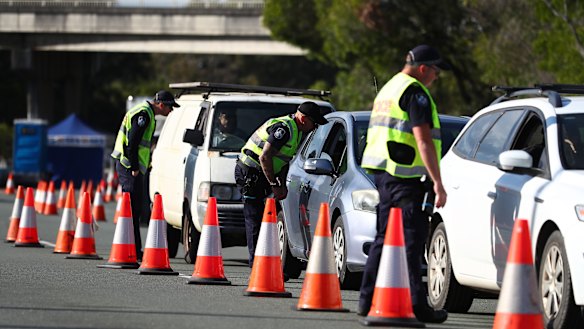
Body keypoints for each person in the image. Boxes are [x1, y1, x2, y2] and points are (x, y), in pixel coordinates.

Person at [358, 44, 450, 323]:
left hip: (385, 174)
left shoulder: (390, 88)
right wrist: (438, 182)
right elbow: (422, 139)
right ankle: (417, 305)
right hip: (406, 178)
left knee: (384, 237)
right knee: (412, 240)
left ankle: (366, 299)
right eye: (435, 71)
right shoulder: (414, 92)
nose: (436, 76)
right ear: (424, 68)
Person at [234, 101, 328, 268]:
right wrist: (273, 184)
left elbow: (283, 161)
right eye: (314, 123)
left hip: (260, 174)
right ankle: (257, 266)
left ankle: (264, 264)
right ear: (304, 119)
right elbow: (265, 157)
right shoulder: (284, 129)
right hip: (250, 172)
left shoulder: (298, 132)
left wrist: (281, 185)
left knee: (265, 219)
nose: (315, 128)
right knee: (254, 218)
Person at [111, 90, 179, 260]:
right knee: (132, 208)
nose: (170, 111)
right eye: (169, 108)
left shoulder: (146, 113)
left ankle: (133, 248)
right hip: (128, 165)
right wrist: (134, 166)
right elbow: (132, 142)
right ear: (161, 105)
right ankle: (131, 249)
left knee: (135, 208)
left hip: (131, 166)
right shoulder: (144, 114)